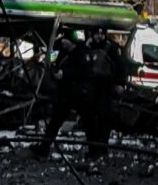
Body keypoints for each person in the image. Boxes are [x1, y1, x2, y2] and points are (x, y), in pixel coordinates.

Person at [34, 26, 126, 159]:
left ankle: (98, 149)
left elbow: (86, 71)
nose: (99, 36)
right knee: (65, 121)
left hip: (87, 91)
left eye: (102, 33)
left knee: (96, 121)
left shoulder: (86, 52)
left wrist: (119, 82)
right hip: (75, 92)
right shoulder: (75, 51)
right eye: (97, 33)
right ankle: (45, 147)